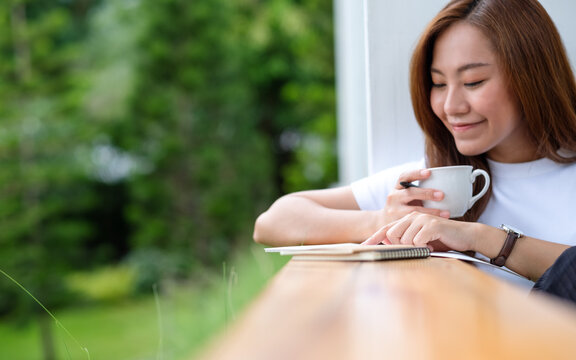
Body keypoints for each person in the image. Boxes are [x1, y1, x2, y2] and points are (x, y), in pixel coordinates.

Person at [253, 0, 576, 287]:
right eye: (438, 83)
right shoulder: (437, 183)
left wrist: (480, 237)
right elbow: (274, 221)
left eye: (473, 82)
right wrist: (382, 220)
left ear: (532, 76)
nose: (451, 106)